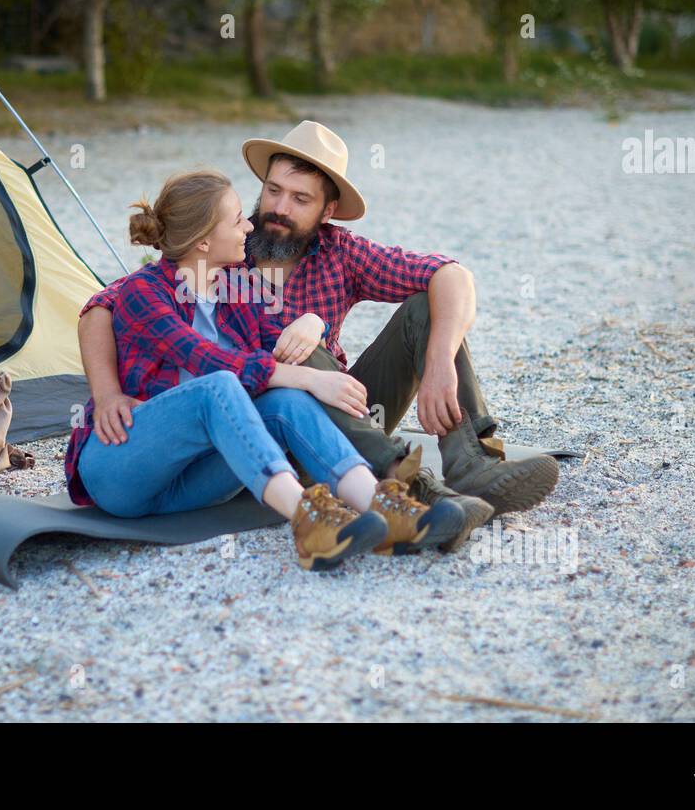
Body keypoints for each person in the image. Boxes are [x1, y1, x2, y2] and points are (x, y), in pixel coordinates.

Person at [78, 120, 560, 517]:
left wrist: (437, 365)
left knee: (423, 306)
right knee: (299, 350)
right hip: (258, 425)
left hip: (342, 419)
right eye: (272, 191)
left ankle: (472, 464)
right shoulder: (222, 246)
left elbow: (452, 275)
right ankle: (402, 483)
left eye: (300, 199)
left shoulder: (341, 253)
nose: (278, 210)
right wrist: (107, 394)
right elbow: (102, 306)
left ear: (328, 211)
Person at [64, 169, 493, 571]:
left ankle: (383, 506)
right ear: (202, 243)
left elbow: (277, 340)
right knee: (221, 386)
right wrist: (313, 379)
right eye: (237, 221)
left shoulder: (242, 288)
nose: (249, 227)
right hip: (123, 470)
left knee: (283, 400)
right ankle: (308, 521)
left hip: (191, 481)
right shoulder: (145, 292)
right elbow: (208, 360)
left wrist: (315, 323)